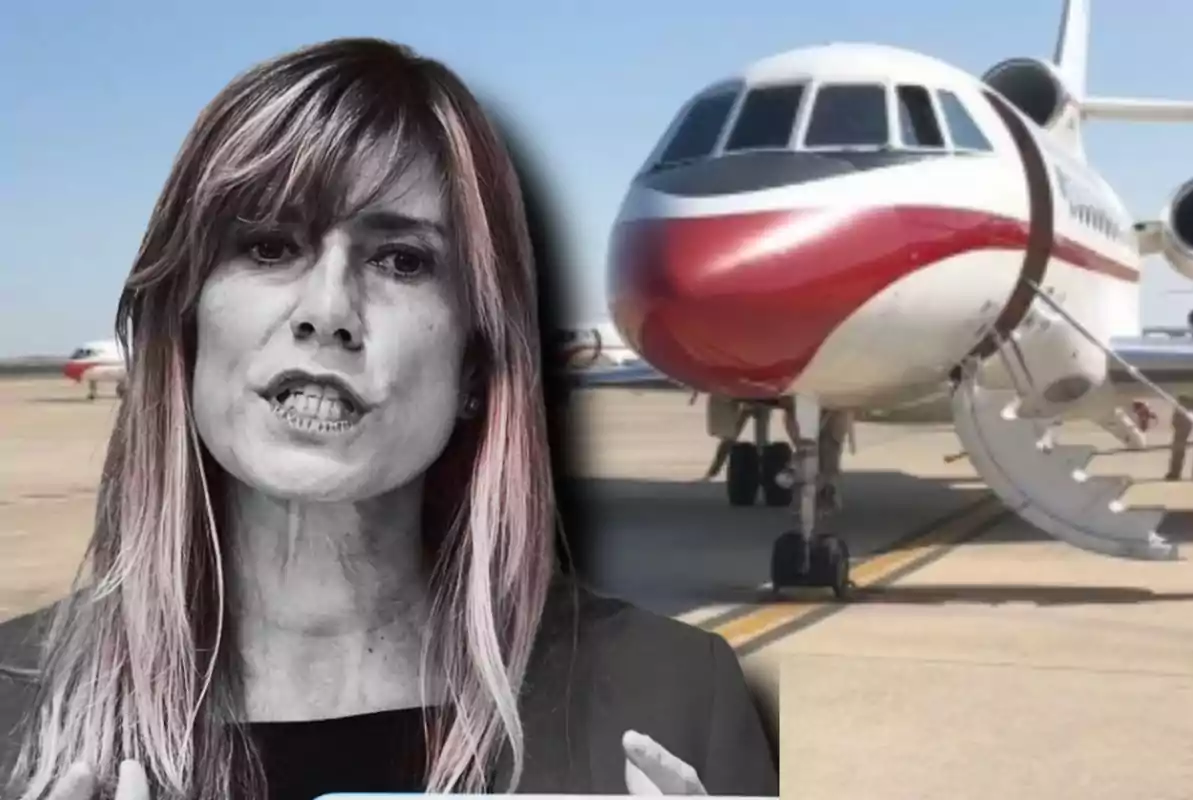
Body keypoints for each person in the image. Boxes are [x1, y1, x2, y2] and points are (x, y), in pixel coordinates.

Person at [0, 39, 777, 799]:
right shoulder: (13, 701)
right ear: (187, 322)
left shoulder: (678, 700)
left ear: (477, 365)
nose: (328, 312)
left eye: (401, 260)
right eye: (268, 246)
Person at [1166, 310, 1193, 481]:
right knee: (1180, 440)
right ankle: (1192, 476)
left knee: (1179, 440)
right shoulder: (1184, 344)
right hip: (1186, 399)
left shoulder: (1183, 345)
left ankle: (1175, 473)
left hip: (1186, 400)